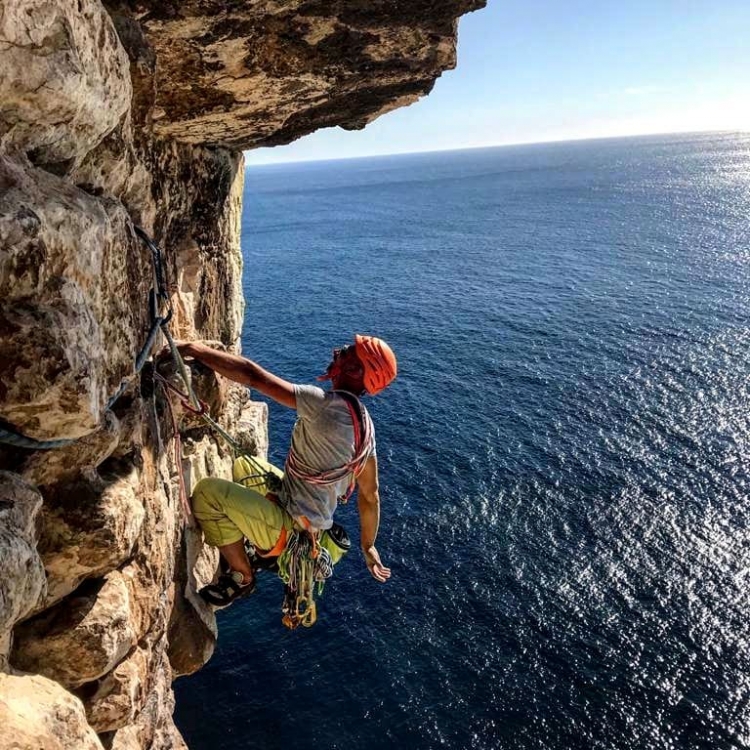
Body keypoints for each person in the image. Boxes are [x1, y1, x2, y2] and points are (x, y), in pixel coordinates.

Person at [175, 334, 397, 610]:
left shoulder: (323, 404)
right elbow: (370, 494)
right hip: (303, 516)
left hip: (290, 526)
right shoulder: (364, 425)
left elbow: (252, 376)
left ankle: (242, 575)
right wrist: (369, 546)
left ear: (354, 370)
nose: (338, 351)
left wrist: (195, 350)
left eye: (349, 352)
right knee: (241, 466)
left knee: (207, 494)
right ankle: (255, 545)